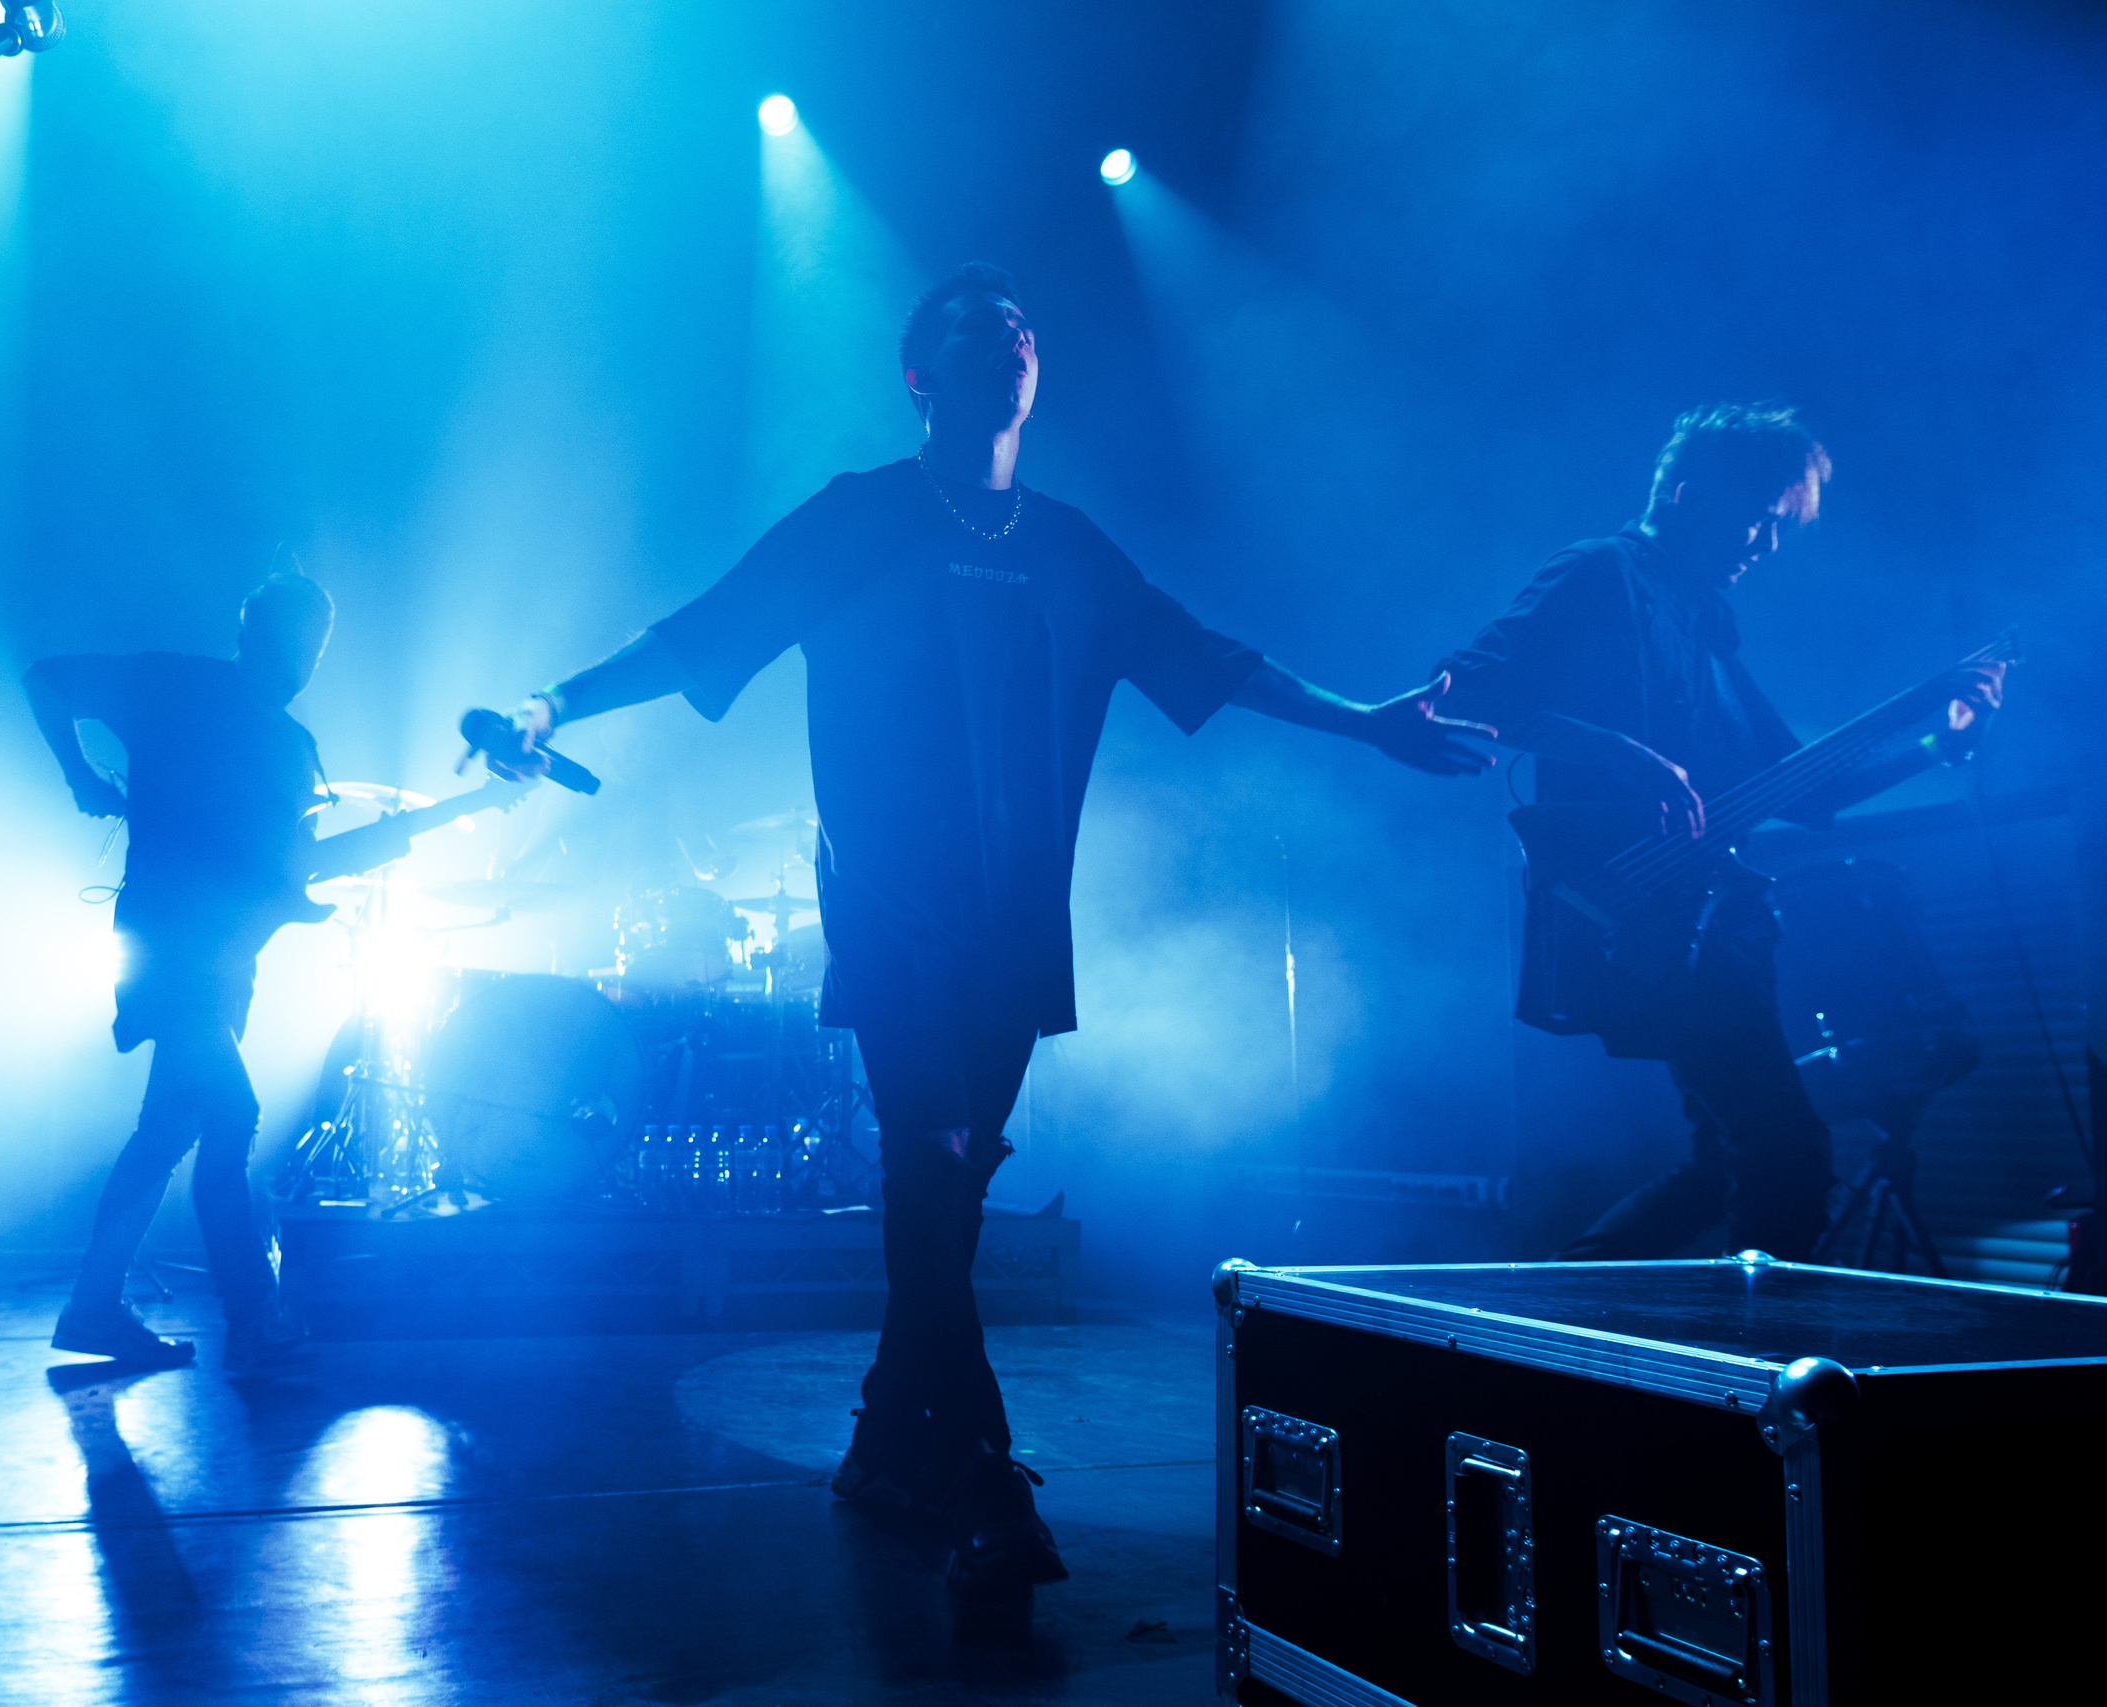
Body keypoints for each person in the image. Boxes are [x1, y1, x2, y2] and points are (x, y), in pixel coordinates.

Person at [472, 263, 1492, 1595]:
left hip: (1016, 927)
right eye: (970, 328)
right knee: (934, 1151)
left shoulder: (1068, 546)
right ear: (918, 374)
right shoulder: (859, 519)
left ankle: (887, 1436)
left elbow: (1213, 658)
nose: (1005, 336)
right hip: (895, 914)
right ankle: (982, 1476)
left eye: (1020, 323)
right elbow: (704, 633)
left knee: (951, 1187)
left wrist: (1366, 721)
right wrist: (556, 697)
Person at [1436, 404, 2002, 1261]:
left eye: (1784, 527)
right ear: (1689, 488)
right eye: (1762, 517)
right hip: (1633, 906)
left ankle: (1558, 1313)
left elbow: (1814, 790)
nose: (1768, 545)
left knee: (1730, 1161)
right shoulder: (1601, 573)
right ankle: (1761, 1377)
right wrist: (1618, 753)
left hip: (1700, 922)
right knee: (1785, 1154)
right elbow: (1462, 690)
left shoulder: (1705, 629)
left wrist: (1937, 739)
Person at [25, 571, 339, 1372]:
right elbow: (48, 679)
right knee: (232, 1114)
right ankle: (251, 1311)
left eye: (316, 647)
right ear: (250, 633)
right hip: (171, 951)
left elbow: (285, 871)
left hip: (224, 966)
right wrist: (79, 775)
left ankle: (93, 1307)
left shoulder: (291, 746)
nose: (302, 661)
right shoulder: (176, 686)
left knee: (166, 1130)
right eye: (293, 641)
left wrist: (430, 823)